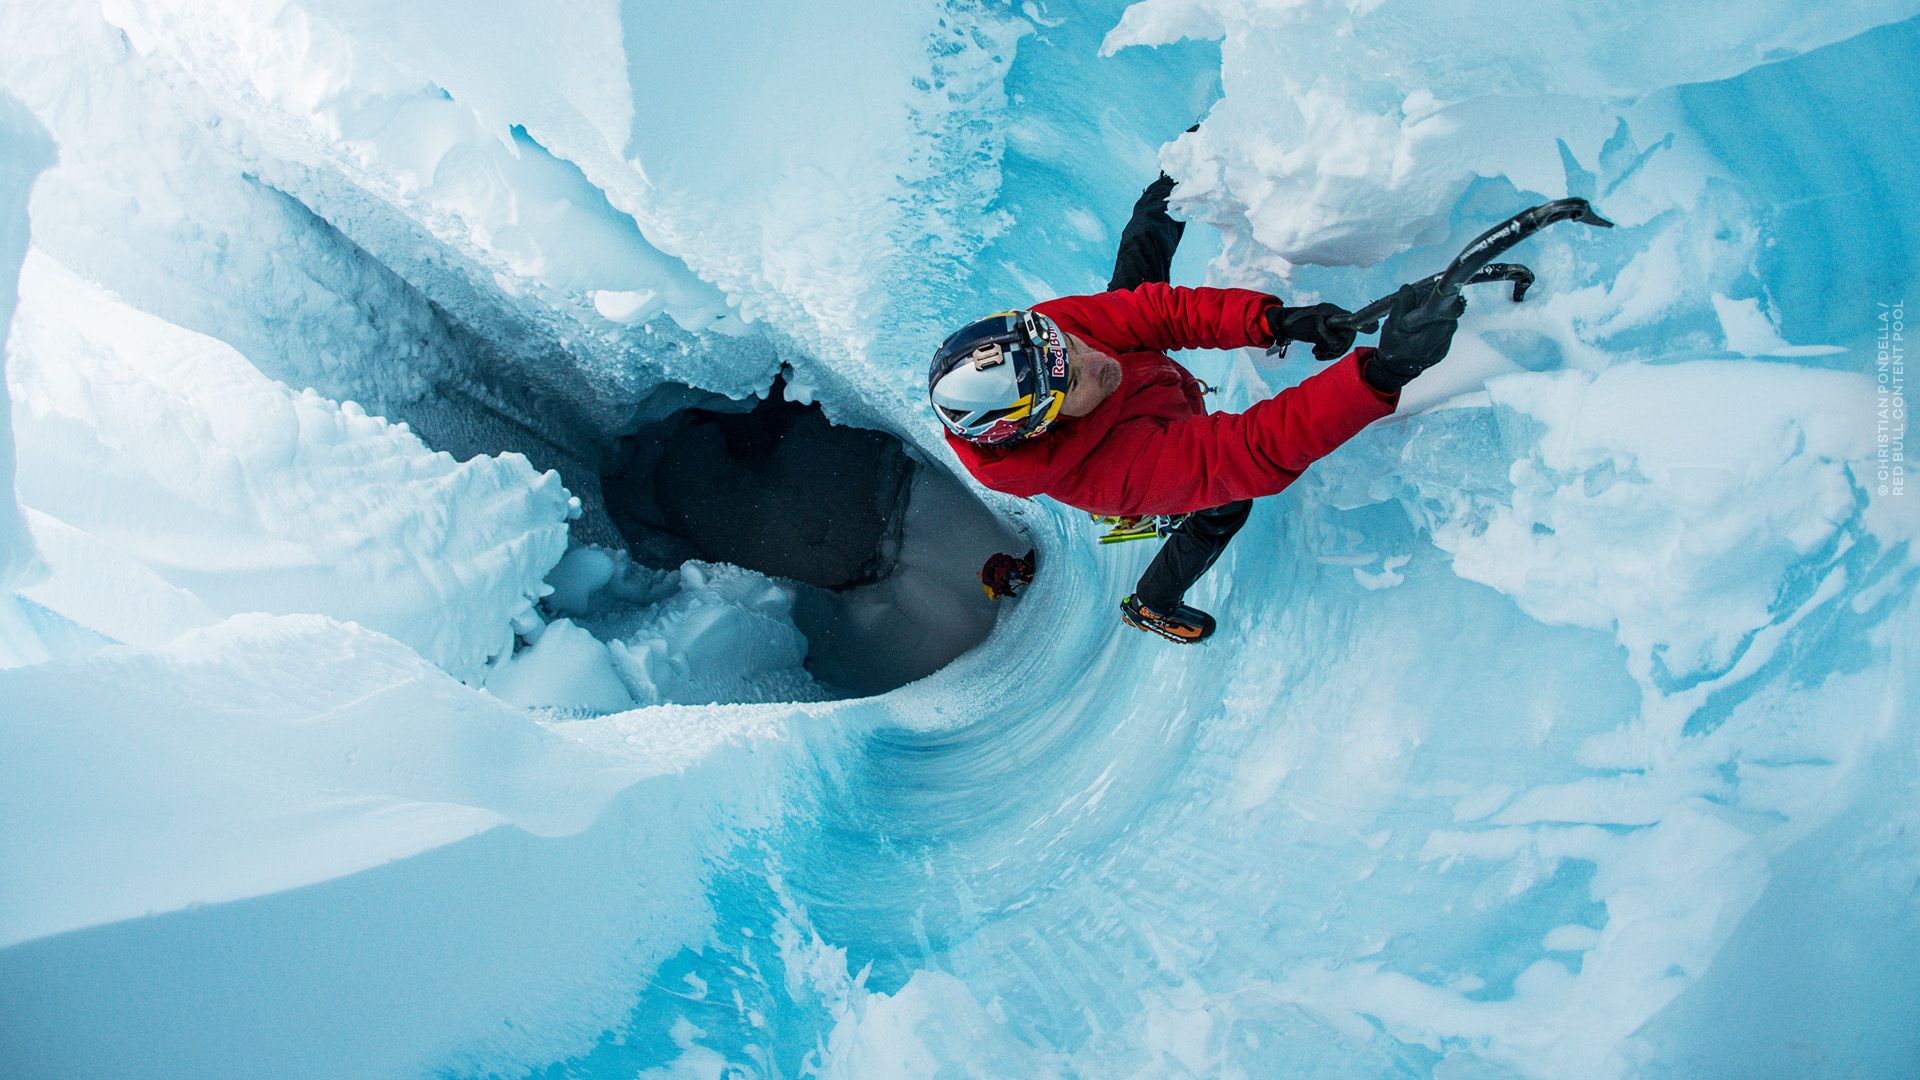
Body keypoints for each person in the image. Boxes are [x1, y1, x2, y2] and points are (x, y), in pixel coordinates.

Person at [929, 168, 1466, 644]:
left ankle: (1176, 177)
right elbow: (1247, 451)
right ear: (1041, 427)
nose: (1091, 358)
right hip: (1152, 431)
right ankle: (1152, 604)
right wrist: (1384, 372)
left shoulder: (1044, 342)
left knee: (1140, 274)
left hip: (1146, 378)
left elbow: (1163, 314)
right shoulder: (1113, 473)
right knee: (1226, 504)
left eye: (1069, 343)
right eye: (1070, 382)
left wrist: (1274, 322)